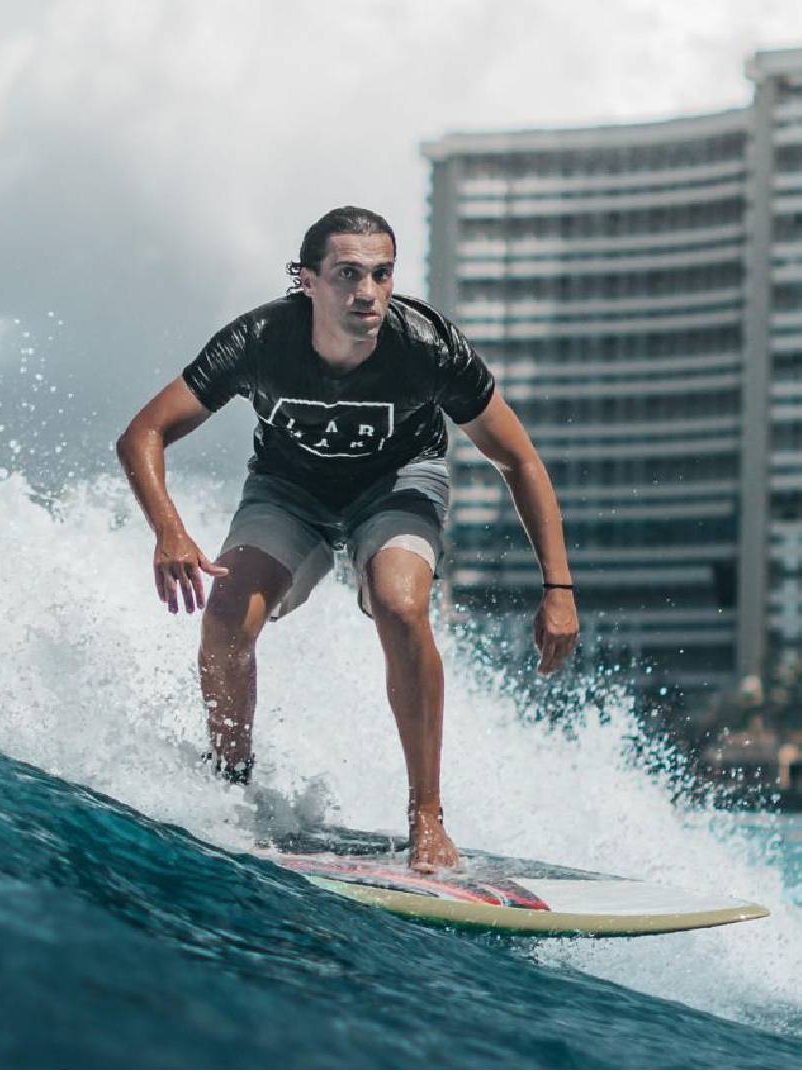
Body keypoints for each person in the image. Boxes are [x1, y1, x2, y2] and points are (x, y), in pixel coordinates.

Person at [116, 206, 579, 872]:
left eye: (381, 274)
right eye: (348, 274)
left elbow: (520, 460)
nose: (367, 291)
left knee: (398, 602)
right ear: (307, 281)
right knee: (225, 617)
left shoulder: (427, 347)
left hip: (396, 486)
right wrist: (170, 532)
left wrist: (557, 587)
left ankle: (426, 817)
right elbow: (143, 433)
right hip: (288, 492)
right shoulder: (258, 341)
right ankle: (226, 784)